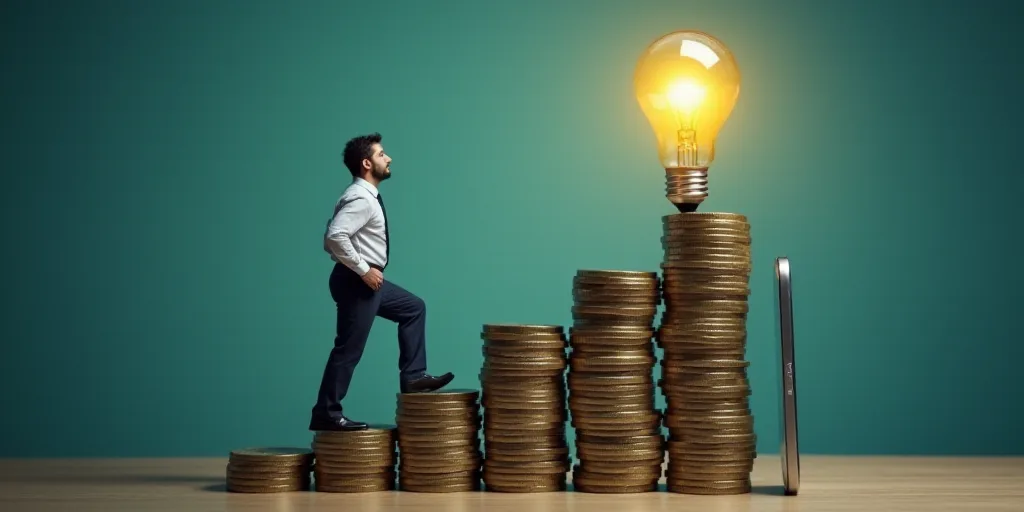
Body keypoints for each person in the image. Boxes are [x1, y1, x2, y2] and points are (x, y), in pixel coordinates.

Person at [309, 132, 454, 432]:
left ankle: (413, 376)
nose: (388, 158)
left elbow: (330, 238)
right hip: (358, 282)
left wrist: (364, 271)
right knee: (349, 350)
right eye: (381, 154)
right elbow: (334, 237)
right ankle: (326, 412)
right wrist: (364, 270)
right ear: (367, 163)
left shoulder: (361, 196)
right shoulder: (361, 198)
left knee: (413, 308)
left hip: (363, 282)